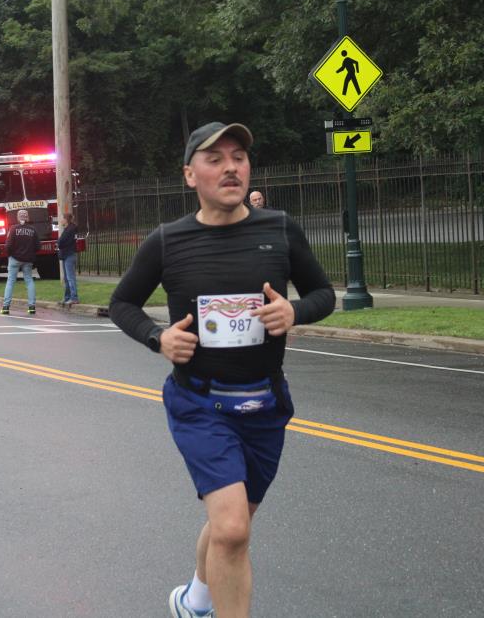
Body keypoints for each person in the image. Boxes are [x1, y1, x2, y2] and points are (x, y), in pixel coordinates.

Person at [109, 122, 335, 618]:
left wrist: (295, 311)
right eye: (215, 159)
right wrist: (158, 338)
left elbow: (323, 294)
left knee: (231, 523)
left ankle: (194, 600)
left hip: (265, 403)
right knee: (233, 529)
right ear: (190, 175)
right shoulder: (168, 241)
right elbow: (122, 303)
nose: (231, 167)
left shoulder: (279, 229)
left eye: (238, 157)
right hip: (199, 403)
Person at [1, 209, 40, 315]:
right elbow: (38, 246)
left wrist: (10, 255)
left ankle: (6, 307)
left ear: (18, 218)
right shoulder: (33, 230)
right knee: (29, 281)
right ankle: (32, 307)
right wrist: (30, 253)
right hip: (28, 260)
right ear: (27, 218)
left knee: (10, 281)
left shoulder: (13, 229)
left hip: (14, 259)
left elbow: (8, 245)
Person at [57, 211, 79, 306]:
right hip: (67, 255)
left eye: (62, 218)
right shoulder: (68, 229)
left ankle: (74, 298)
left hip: (69, 254)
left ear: (66, 220)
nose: (61, 220)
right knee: (67, 278)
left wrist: (59, 243)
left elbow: (61, 242)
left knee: (70, 278)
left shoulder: (70, 229)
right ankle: (67, 298)